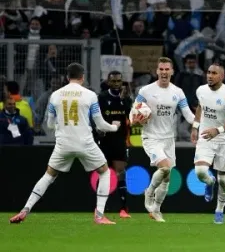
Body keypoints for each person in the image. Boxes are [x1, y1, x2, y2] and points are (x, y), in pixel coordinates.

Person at [9, 63, 120, 225]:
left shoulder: (55, 95)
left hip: (63, 144)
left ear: (67, 77)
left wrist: (63, 127)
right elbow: (100, 125)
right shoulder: (89, 95)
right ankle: (99, 215)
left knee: (48, 175)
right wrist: (115, 127)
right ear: (83, 77)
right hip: (85, 142)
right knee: (104, 172)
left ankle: (25, 209)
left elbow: (49, 124)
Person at [132, 57, 195, 222]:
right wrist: (136, 118)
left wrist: (201, 124)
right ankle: (149, 192)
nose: (164, 72)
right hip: (151, 137)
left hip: (169, 139)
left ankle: (157, 210)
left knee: (167, 178)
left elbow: (188, 115)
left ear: (172, 71)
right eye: (161, 69)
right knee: (165, 168)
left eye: (167, 69)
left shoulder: (178, 92)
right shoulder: (145, 91)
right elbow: (134, 112)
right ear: (157, 71)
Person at [190, 63, 225, 224]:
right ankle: (209, 182)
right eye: (208, 72)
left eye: (214, 73)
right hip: (206, 136)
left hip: (224, 139)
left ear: (222, 76)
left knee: (223, 181)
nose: (210, 75)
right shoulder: (201, 90)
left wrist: (217, 130)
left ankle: (219, 210)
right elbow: (200, 107)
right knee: (200, 172)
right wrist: (195, 126)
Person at [95, 71, 133, 218]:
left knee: (120, 173)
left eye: (119, 81)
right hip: (104, 140)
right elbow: (95, 116)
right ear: (108, 82)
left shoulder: (126, 98)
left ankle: (123, 208)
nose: (117, 84)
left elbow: (132, 116)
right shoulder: (102, 97)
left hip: (119, 141)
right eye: (114, 81)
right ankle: (99, 209)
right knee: (103, 174)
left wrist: (127, 100)